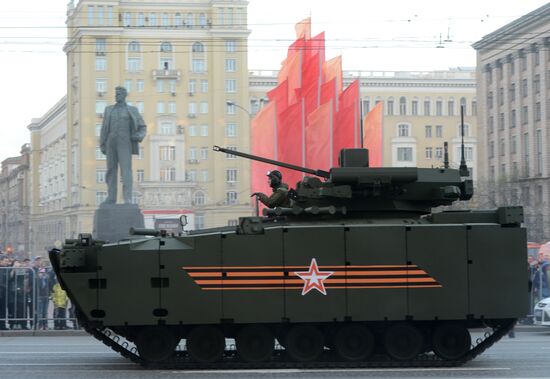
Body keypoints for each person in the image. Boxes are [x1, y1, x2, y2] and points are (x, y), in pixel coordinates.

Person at [100, 86, 147, 204]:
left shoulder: (132, 110)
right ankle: (111, 197)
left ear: (124, 95)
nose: (116, 96)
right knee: (111, 170)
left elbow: (142, 126)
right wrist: (102, 143)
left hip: (125, 141)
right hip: (111, 141)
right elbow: (104, 128)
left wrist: (138, 136)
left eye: (119, 94)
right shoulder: (108, 109)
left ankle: (127, 198)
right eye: (116, 94)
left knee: (126, 170)